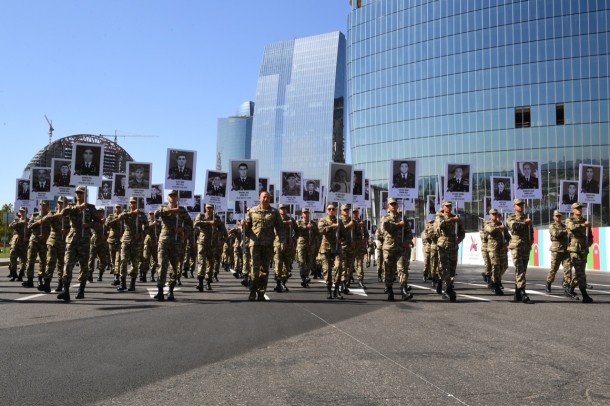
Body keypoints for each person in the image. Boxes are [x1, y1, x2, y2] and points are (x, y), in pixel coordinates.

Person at [57, 185, 100, 302]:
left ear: (85, 194)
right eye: (77, 193)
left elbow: (99, 223)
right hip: (72, 238)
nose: (78, 195)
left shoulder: (91, 208)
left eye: (81, 193)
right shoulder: (71, 206)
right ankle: (66, 290)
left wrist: (89, 225)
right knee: (68, 264)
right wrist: (79, 207)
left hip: (85, 240)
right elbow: (63, 213)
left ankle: (81, 290)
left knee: (84, 265)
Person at [244, 191, 286, 301]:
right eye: (264, 197)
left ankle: (261, 292)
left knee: (264, 270)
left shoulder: (274, 212)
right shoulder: (252, 211)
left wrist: (282, 241)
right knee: (254, 268)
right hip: (255, 244)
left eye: (268, 197)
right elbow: (247, 230)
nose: (266, 199)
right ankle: (253, 291)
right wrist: (243, 225)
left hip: (268, 245)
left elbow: (280, 228)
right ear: (259, 198)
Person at [154, 189, 191, 301]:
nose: (173, 197)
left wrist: (183, 230)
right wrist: (171, 211)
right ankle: (160, 291)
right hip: (164, 240)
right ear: (167, 198)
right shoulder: (163, 208)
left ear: (177, 198)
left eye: (175, 195)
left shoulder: (182, 210)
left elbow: (190, 224)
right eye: (171, 195)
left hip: (176, 241)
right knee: (162, 265)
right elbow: (156, 214)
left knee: (175, 267)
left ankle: (171, 291)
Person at [380, 198, 413, 301]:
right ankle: (390, 290)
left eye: (395, 204)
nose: (393, 206)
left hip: (400, 248)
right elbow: (387, 227)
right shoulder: (385, 218)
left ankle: (403, 291)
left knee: (402, 269)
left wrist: (407, 241)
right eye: (391, 204)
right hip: (389, 249)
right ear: (388, 207)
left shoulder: (403, 218)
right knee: (388, 271)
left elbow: (408, 232)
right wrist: (399, 225)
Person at [433, 201, 465, 301]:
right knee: (444, 267)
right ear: (443, 207)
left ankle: (449, 286)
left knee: (452, 269)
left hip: (453, 246)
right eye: (446, 206)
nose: (448, 208)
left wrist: (458, 241)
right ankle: (447, 288)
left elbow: (462, 232)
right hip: (443, 246)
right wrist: (452, 220)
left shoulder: (456, 218)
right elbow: (439, 226)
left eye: (450, 206)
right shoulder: (440, 216)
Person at [506, 198, 534, 304]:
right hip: (516, 246)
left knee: (523, 270)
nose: (520, 206)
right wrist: (524, 223)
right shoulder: (511, 218)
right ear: (514, 206)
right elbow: (514, 227)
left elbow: (530, 230)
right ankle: (522, 292)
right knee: (520, 269)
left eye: (522, 204)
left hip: (525, 246)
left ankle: (517, 293)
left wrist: (531, 240)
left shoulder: (527, 217)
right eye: (518, 204)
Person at [193, 204, 226, 292]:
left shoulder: (217, 218)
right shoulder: (201, 216)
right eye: (208, 208)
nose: (209, 209)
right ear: (205, 208)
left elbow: (223, 230)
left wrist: (218, 235)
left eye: (211, 208)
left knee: (210, 263)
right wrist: (208, 222)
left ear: (213, 208)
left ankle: (208, 281)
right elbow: (195, 223)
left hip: (212, 243)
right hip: (202, 242)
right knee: (201, 261)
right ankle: (200, 281)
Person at [566, 202, 594, 303]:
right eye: (577, 208)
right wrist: (583, 225)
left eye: (580, 208)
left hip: (583, 249)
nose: (579, 210)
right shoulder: (570, 220)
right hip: (574, 249)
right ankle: (584, 295)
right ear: (573, 210)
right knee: (580, 273)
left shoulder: (585, 221)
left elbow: (590, 235)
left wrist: (590, 242)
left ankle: (571, 288)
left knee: (579, 272)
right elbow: (572, 227)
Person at [41, 196, 70, 292]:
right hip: (52, 241)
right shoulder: (52, 213)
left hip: (63, 242)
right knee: (50, 262)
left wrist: (66, 230)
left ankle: (60, 283)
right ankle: (47, 283)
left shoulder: (69, 215)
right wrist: (56, 216)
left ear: (66, 204)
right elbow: (44, 220)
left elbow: (75, 227)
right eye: (59, 203)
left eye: (62, 203)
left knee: (61, 264)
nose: (60, 204)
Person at [318, 204, 344, 299]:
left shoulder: (339, 221)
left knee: (338, 267)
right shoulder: (323, 220)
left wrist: (340, 240)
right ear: (326, 210)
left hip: (336, 248)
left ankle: (336, 289)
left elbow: (344, 235)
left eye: (333, 209)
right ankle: (329, 289)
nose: (331, 210)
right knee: (327, 270)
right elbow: (321, 231)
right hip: (325, 248)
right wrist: (332, 226)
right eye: (330, 209)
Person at [23, 200, 50, 289]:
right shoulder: (35, 215)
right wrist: (37, 222)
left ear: (47, 206)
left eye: (44, 205)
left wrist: (46, 235)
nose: (42, 206)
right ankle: (30, 279)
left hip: (44, 241)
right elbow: (29, 226)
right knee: (30, 260)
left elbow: (54, 228)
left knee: (43, 261)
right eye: (41, 205)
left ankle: (40, 279)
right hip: (34, 240)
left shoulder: (50, 216)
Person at [545, 210, 573, 296]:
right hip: (556, 250)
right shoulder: (552, 226)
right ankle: (549, 282)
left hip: (566, 250)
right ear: (554, 217)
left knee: (568, 268)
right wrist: (566, 231)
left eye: (559, 216)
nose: (558, 217)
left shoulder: (565, 226)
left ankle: (567, 285)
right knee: (554, 269)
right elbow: (556, 234)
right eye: (556, 216)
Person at [484, 208, 511, 295]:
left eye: (496, 214)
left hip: (502, 249)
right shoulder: (488, 224)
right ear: (490, 215)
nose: (495, 216)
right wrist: (500, 228)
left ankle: (494, 279)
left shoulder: (502, 225)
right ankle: (496, 286)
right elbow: (491, 230)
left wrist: (506, 244)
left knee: (504, 266)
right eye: (493, 214)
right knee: (495, 266)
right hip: (493, 249)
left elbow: (508, 237)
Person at [295, 207, 320, 288]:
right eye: (304, 213)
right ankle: (304, 276)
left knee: (308, 262)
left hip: (310, 245)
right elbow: (297, 231)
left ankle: (306, 276)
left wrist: (312, 227)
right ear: (302, 214)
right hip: (301, 245)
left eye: (307, 213)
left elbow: (317, 233)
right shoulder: (299, 222)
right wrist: (306, 227)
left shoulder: (312, 223)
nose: (306, 214)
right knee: (302, 261)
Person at [88, 208, 109, 283]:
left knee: (102, 260)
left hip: (102, 243)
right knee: (91, 258)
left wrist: (106, 236)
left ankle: (100, 274)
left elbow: (111, 231)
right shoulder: (94, 222)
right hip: (94, 242)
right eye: (98, 213)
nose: (99, 214)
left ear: (103, 213)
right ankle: (90, 274)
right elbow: (90, 227)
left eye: (101, 212)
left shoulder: (107, 222)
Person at [8, 208, 29, 281]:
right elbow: (10, 226)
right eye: (21, 211)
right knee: (12, 257)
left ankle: (21, 274)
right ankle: (14, 273)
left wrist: (28, 238)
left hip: (24, 243)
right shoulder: (16, 220)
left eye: (23, 211)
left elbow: (32, 231)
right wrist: (20, 222)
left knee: (23, 260)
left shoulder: (28, 221)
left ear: (26, 212)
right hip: (15, 242)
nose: (22, 213)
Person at [105, 204, 124, 286]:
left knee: (118, 259)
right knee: (112, 260)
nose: (118, 209)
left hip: (120, 240)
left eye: (119, 207)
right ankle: (115, 273)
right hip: (112, 240)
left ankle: (117, 277)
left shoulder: (124, 216)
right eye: (116, 207)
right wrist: (117, 220)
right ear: (114, 208)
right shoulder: (111, 216)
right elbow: (107, 224)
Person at [139, 211, 160, 282]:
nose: (152, 215)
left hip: (156, 243)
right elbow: (144, 229)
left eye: (153, 214)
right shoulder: (146, 223)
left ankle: (152, 275)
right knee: (145, 259)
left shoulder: (159, 223)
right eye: (151, 214)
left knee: (155, 260)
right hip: (147, 243)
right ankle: (144, 275)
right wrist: (152, 225)